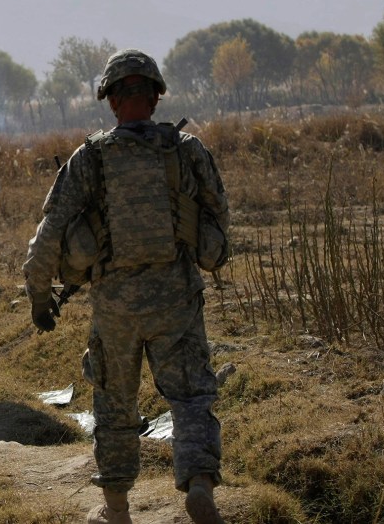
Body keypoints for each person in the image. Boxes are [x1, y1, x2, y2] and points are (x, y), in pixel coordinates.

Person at [23, 49, 229, 524]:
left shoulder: (89, 157)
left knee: (115, 406)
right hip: (176, 300)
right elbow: (219, 221)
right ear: (156, 98)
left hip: (114, 309)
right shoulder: (188, 150)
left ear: (111, 102)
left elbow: (50, 232)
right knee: (192, 397)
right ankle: (199, 483)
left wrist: (39, 297)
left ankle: (116, 510)